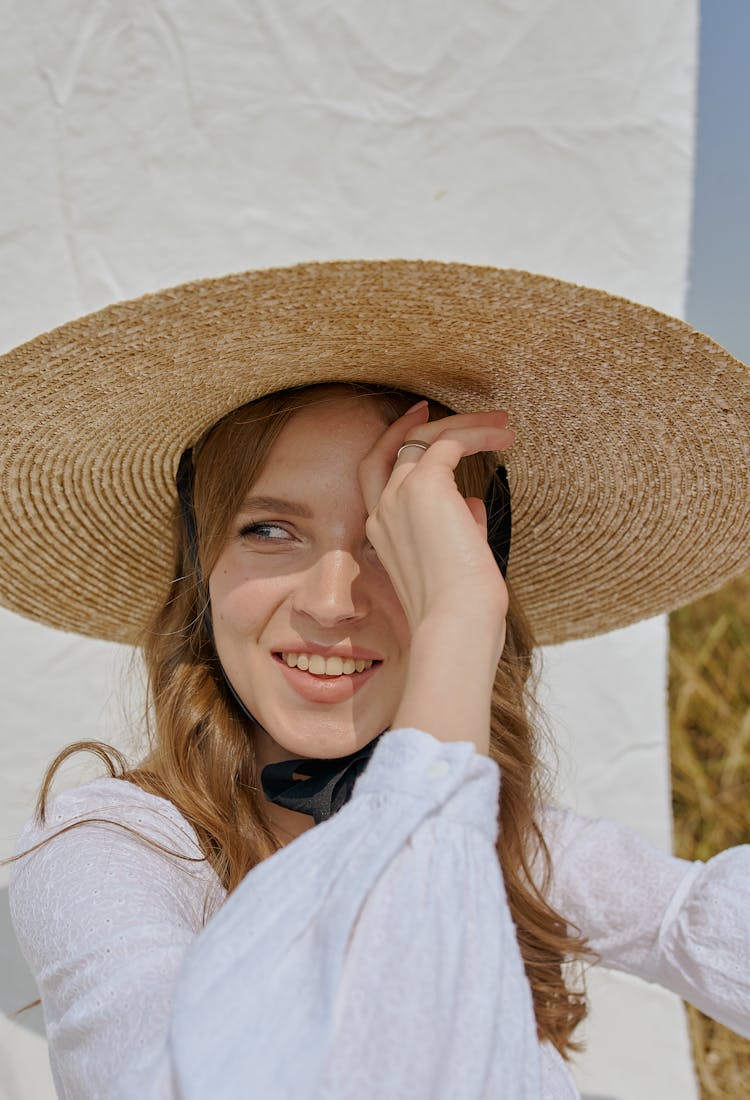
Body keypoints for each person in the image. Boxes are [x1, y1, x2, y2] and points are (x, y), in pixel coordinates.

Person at [2, 259, 749, 1099]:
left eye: (392, 541)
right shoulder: (110, 851)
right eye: (271, 529)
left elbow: (702, 924)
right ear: (199, 576)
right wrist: (456, 627)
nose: (332, 601)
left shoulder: (513, 844)